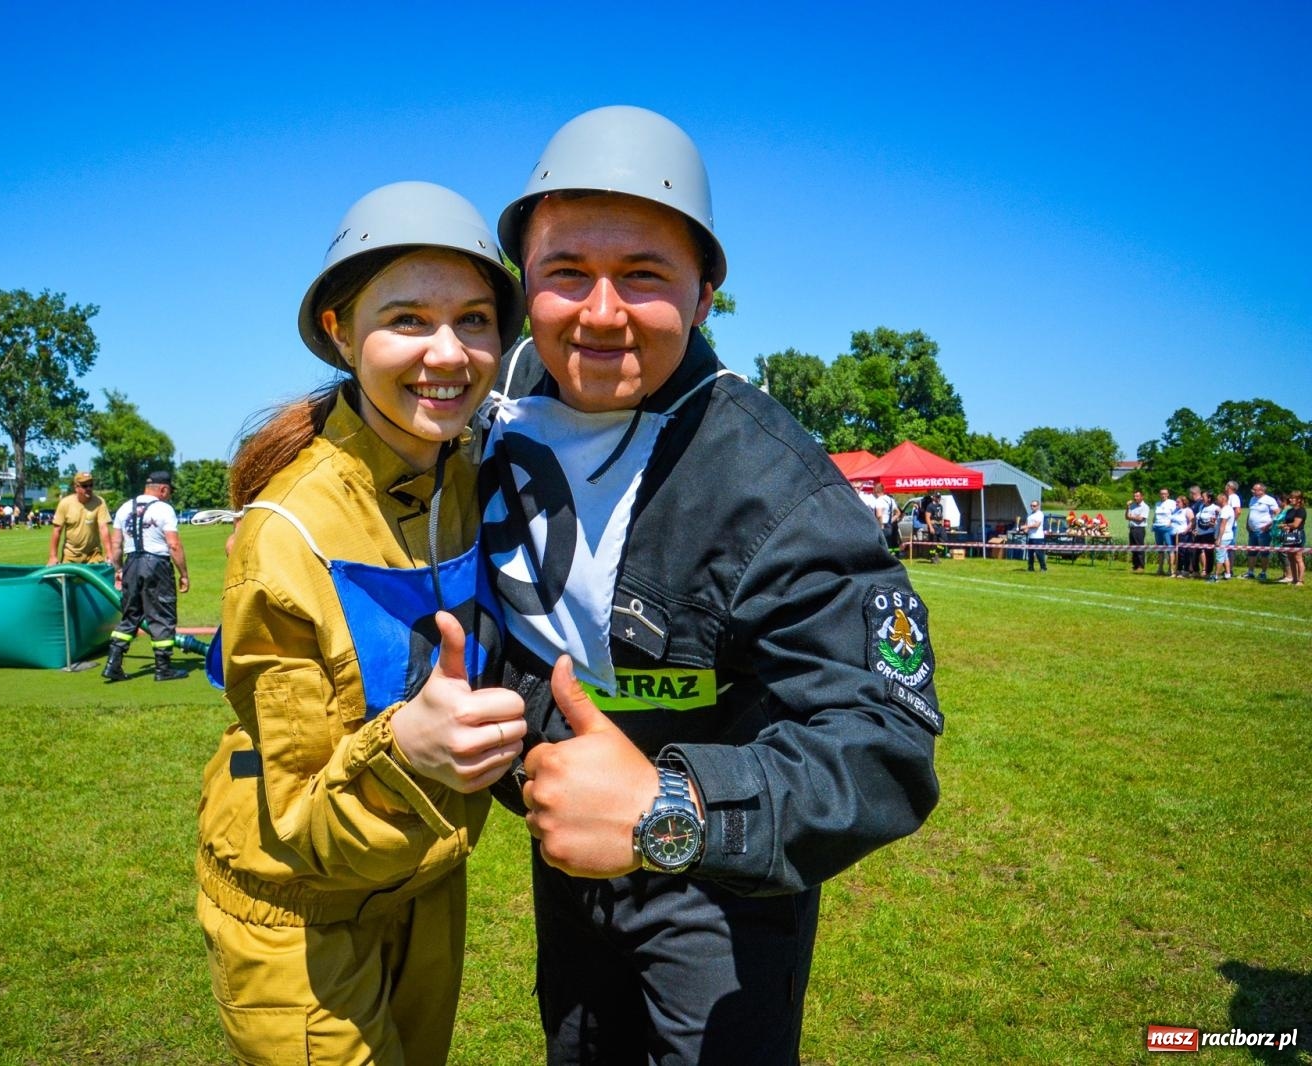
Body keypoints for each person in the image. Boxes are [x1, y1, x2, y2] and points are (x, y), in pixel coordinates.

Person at [482, 106, 941, 1065]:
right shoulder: (492, 402)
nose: (600, 313)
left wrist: (667, 809)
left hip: (717, 884)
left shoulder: (771, 480)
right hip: (566, 855)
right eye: (566, 271)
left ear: (703, 295)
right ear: (524, 283)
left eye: (645, 275)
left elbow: (884, 745)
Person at [194, 181, 529, 1065]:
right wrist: (409, 748)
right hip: (302, 918)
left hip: (424, 889)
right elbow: (302, 816)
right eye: (408, 320)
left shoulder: (471, 474)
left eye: (476, 320)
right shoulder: (286, 533)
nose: (448, 354)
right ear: (341, 333)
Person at [103, 470, 189, 682]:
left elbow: (116, 545)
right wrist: (184, 574)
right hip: (156, 565)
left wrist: (118, 570)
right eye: (168, 492)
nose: (169, 496)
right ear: (163, 489)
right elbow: (173, 544)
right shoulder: (164, 509)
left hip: (131, 563)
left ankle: (113, 663)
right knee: (162, 615)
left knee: (130, 615)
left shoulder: (124, 508)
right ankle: (163, 668)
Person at [47, 472, 111, 564]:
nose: (89, 488)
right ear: (76, 487)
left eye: (91, 485)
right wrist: (53, 557)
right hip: (71, 556)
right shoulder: (65, 503)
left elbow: (103, 528)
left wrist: (109, 552)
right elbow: (57, 530)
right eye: (85, 486)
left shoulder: (99, 502)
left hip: (93, 555)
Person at [1244, 482, 1280, 581]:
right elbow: (1251, 512)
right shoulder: (1252, 499)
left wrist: (1269, 525)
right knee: (1251, 552)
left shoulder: (1269, 500)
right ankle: (1250, 572)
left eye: (1254, 489)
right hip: (1252, 530)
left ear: (1261, 490)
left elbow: (1277, 513)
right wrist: (1247, 524)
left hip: (1263, 531)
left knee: (1264, 552)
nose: (1252, 491)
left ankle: (1263, 573)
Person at [1277, 489, 1305, 587]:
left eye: (1293, 498)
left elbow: (1296, 524)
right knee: (1290, 558)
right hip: (1288, 536)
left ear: (1299, 500)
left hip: (1297, 536)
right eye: (1291, 498)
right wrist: (1286, 526)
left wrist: (1285, 525)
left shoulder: (1301, 510)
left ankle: (1300, 580)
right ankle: (1294, 579)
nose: (1291, 499)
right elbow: (1288, 522)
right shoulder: (1290, 510)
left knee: (1298, 558)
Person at [1152, 487, 1176, 575]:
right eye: (1161, 493)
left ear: (1168, 494)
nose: (1163, 495)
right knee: (1160, 549)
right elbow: (1155, 515)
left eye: (1165, 493)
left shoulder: (1172, 503)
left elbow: (1175, 514)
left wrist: (1171, 522)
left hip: (1167, 528)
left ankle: (1171, 569)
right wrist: (1153, 523)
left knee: (1170, 548)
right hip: (1157, 528)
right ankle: (1160, 568)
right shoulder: (1157, 504)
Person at [1214, 485, 1236, 581]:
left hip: (1224, 536)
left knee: (1219, 556)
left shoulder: (1226, 510)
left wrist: (1219, 538)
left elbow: (1223, 525)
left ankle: (1215, 576)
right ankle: (1227, 574)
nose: (1216, 501)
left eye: (1218, 499)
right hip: (1227, 535)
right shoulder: (1226, 509)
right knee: (1225, 555)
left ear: (1223, 499)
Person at [1125, 490, 1149, 572]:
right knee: (1133, 547)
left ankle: (1141, 566)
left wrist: (1132, 517)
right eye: (1134, 496)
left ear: (1142, 497)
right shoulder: (1132, 506)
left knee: (1139, 547)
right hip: (1132, 528)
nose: (1135, 498)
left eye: (1137, 496)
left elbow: (1140, 519)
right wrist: (1127, 507)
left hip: (1139, 529)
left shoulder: (1145, 507)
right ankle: (1135, 565)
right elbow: (1126, 517)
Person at [1024, 498, 1047, 572]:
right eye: (1031, 505)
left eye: (1034, 505)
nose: (1032, 507)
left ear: (1038, 506)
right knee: (1030, 554)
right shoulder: (1030, 515)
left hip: (1038, 537)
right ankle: (1030, 568)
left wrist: (1027, 527)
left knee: (1039, 553)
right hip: (1031, 537)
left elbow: (1037, 525)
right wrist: (1025, 529)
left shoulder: (1040, 514)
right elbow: (1027, 524)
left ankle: (1043, 568)